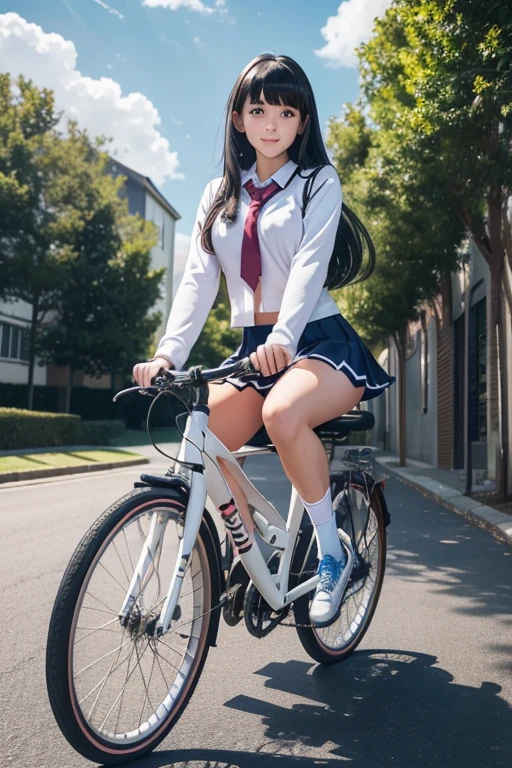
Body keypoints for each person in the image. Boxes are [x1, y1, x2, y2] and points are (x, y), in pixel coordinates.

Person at [133, 53, 396, 627]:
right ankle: (252, 544)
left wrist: (282, 336)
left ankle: (330, 552)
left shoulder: (316, 182)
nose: (272, 122)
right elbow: (198, 282)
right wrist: (167, 353)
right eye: (259, 109)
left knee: (281, 414)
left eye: (286, 110)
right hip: (256, 347)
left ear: (303, 122)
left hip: (316, 341)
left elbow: (308, 266)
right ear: (237, 119)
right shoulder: (217, 195)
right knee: (200, 439)